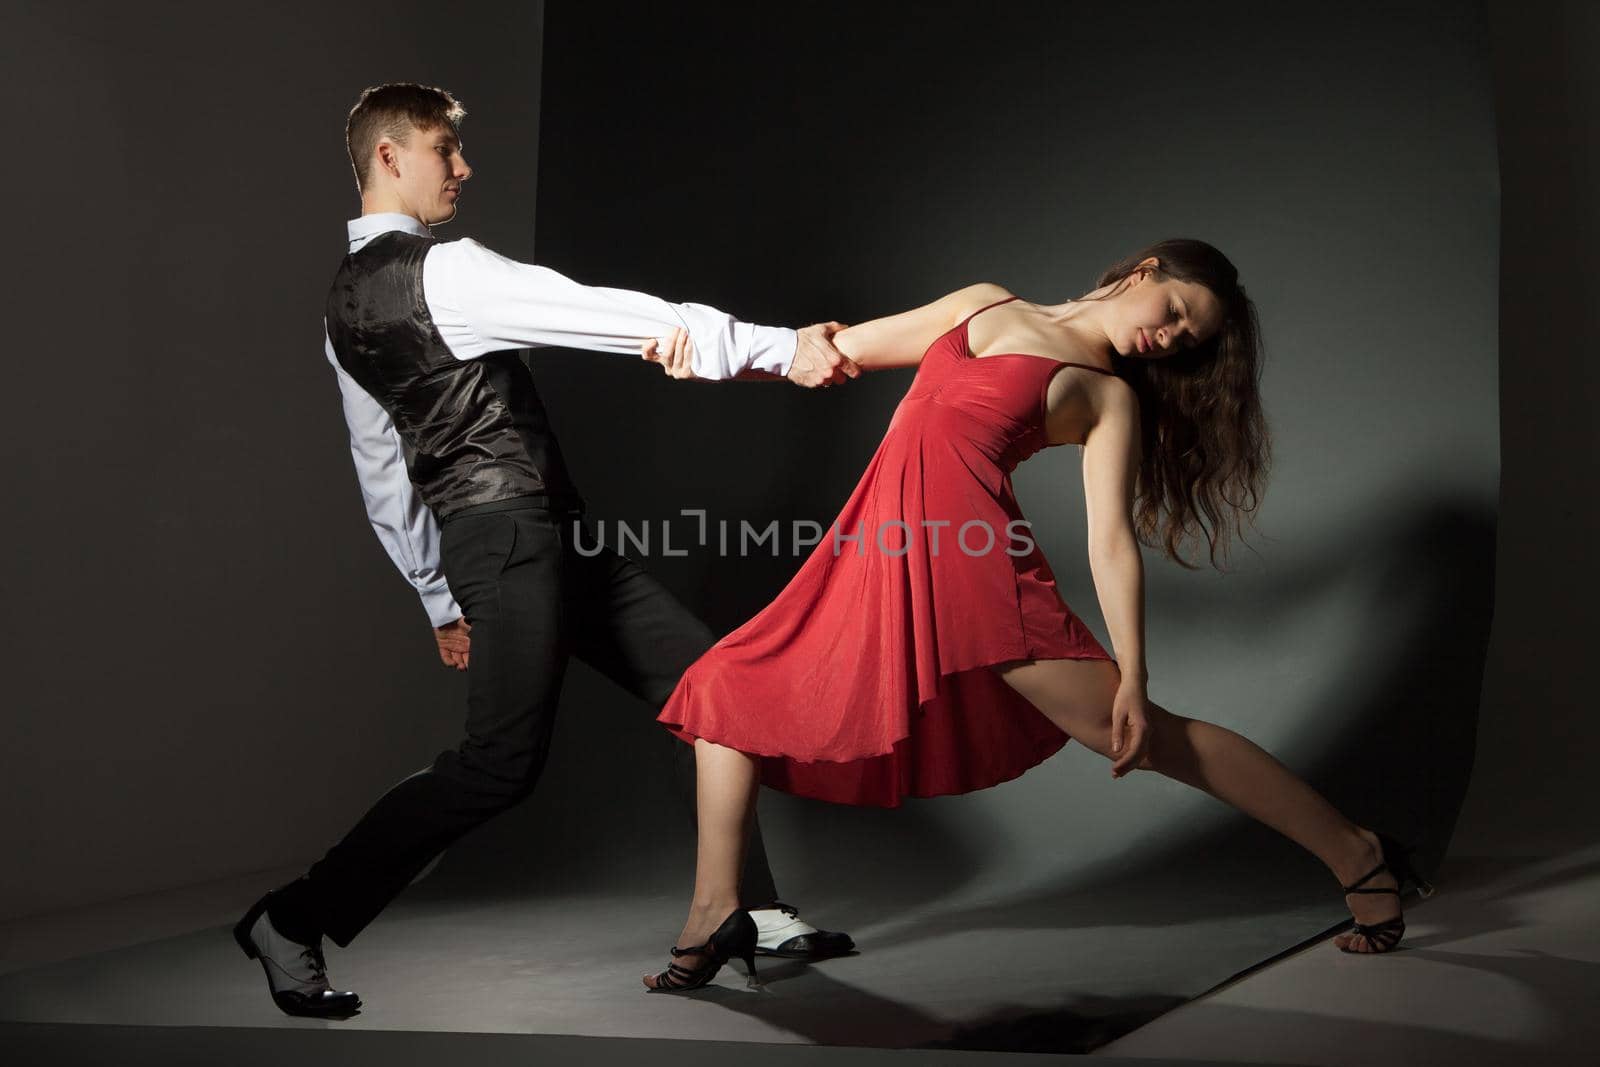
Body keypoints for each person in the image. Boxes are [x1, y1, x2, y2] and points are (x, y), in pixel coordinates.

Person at [635, 239, 1436, 992]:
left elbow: (1110, 541)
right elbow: (831, 352)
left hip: (979, 576)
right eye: (1179, 310)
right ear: (1146, 271)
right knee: (723, 690)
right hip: (877, 559)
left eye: (1190, 338)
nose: (1173, 336)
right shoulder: (983, 304)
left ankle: (1356, 852)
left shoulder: (1106, 394)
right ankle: (716, 911)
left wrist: (1133, 671)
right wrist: (708, 357)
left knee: (1141, 733)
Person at [233, 82, 858, 1020]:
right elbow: (606, 312)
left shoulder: (340, 311)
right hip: (516, 540)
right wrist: (776, 349)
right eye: (446, 149)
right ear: (391, 157)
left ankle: (746, 911)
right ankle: (292, 917)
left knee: (716, 686)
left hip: (539, 537)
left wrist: (435, 595)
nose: (463, 168)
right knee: (499, 764)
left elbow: (381, 466)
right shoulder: (449, 272)